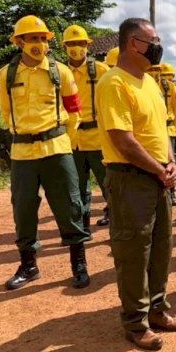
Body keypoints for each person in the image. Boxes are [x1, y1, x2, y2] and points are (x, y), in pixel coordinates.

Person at [96, 17, 176, 351]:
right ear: (133, 43)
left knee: (161, 247)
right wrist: (158, 169)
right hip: (130, 179)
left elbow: (161, 131)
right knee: (134, 251)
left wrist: (171, 162)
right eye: (153, 39)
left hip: (157, 177)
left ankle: (158, 309)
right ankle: (136, 323)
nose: (158, 45)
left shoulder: (149, 83)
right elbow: (123, 140)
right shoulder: (113, 83)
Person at [0, 15, 91, 290]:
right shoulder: (7, 74)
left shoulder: (61, 71)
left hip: (57, 149)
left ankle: (79, 265)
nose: (38, 44)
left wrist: (63, 142)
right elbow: (5, 111)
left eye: (42, 39)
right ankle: (29, 266)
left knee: (70, 205)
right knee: (23, 209)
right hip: (23, 153)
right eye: (32, 39)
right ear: (19, 42)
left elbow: (74, 112)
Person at [62, 25, 110, 231]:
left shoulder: (101, 71)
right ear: (65, 47)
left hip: (98, 139)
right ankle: (82, 226)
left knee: (108, 185)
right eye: (71, 44)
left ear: (87, 46)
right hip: (72, 140)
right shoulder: (60, 72)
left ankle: (116, 223)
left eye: (80, 43)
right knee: (77, 188)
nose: (76, 48)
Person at [154, 62, 176, 206]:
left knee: (169, 161)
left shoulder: (169, 87)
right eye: (150, 69)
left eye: (156, 70)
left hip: (168, 129)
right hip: (151, 130)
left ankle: (172, 193)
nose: (153, 73)